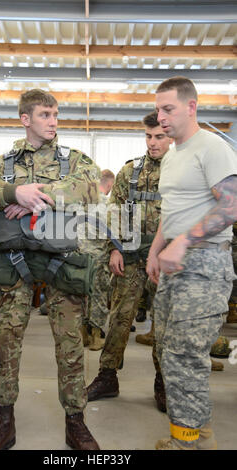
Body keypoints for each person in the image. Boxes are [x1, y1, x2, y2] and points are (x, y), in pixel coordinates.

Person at [0, 88, 102, 450]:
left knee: (71, 344)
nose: (54, 121)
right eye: (45, 114)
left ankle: (75, 421)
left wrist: (36, 196)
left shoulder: (73, 159)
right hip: (15, 264)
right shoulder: (2, 163)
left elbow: (92, 189)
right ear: (25, 119)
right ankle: (4, 421)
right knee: (5, 344)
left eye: (56, 114)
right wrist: (14, 193)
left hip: (62, 261)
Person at [146, 76, 237, 450]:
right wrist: (156, 249)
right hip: (176, 266)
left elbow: (231, 206)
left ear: (191, 107)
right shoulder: (172, 154)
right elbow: (173, 210)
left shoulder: (211, 147)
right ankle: (200, 433)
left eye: (168, 109)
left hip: (205, 265)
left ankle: (186, 442)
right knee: (168, 349)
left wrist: (183, 242)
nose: (161, 118)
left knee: (185, 355)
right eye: (158, 110)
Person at [87, 111, 172, 411]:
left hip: (166, 261)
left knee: (163, 324)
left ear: (171, 135)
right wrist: (114, 248)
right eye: (148, 136)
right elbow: (115, 212)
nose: (152, 143)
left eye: (159, 136)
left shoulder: (182, 171)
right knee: (120, 319)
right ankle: (107, 375)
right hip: (132, 258)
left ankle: (163, 382)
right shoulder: (129, 172)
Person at [80, 169, 115, 350]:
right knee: (99, 295)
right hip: (99, 256)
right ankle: (97, 335)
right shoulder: (108, 205)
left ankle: (83, 333)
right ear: (109, 184)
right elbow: (111, 234)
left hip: (80, 256)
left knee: (83, 294)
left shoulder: (83, 202)